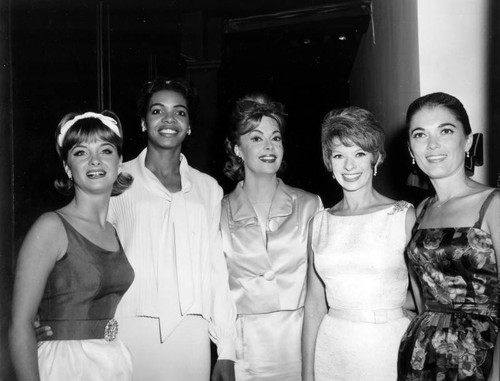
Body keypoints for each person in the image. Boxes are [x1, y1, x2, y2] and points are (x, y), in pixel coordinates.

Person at [107, 77, 236, 381]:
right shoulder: (115, 179)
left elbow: (216, 270)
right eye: (157, 111)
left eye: (179, 112)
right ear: (142, 122)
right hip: (129, 327)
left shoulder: (208, 188)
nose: (168, 119)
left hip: (191, 331)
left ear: (189, 125)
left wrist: (226, 349)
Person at [10, 111, 135, 381]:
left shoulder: (114, 230)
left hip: (112, 362)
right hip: (66, 366)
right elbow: (20, 325)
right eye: (81, 152)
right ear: (67, 167)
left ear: (120, 162)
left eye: (106, 150)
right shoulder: (51, 226)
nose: (95, 161)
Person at [302, 106, 416, 381]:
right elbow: (315, 304)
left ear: (375, 158)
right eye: (339, 155)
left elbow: (426, 296)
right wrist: (307, 373)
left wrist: (392, 305)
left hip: (387, 347)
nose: (349, 166)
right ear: (329, 162)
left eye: (360, 154)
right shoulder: (319, 223)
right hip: (333, 349)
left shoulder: (402, 215)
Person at [398, 92, 500, 381]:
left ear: (467, 140)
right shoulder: (420, 210)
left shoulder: (492, 204)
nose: (432, 145)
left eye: (445, 130)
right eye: (420, 135)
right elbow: (422, 295)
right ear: (410, 149)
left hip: (480, 357)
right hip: (421, 355)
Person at [220, 94, 323, 380]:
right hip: (244, 354)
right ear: (237, 149)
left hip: (302, 346)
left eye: (275, 138)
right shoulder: (217, 211)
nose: (269, 146)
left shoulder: (309, 204)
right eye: (256, 138)